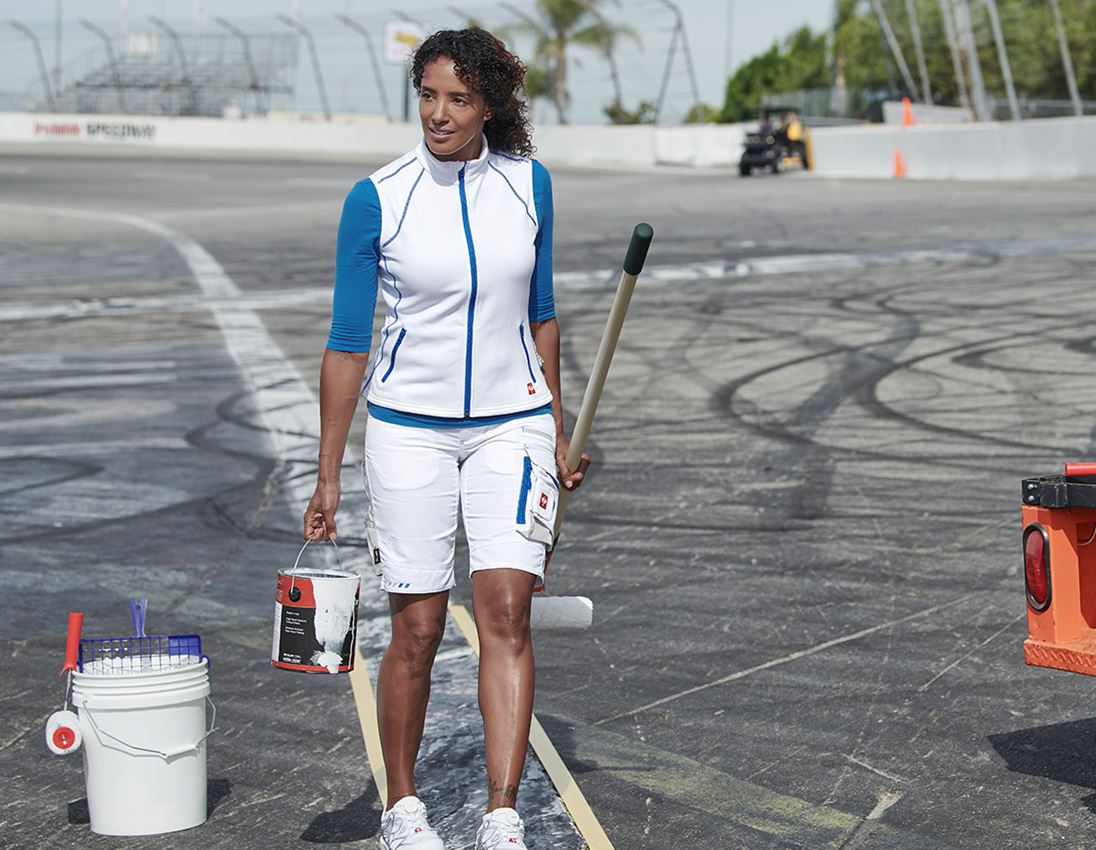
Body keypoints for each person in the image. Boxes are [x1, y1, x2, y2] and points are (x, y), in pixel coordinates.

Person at [303, 27, 590, 850]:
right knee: (419, 629)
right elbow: (347, 342)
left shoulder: (528, 185)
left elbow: (543, 315)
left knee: (505, 615)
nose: (439, 113)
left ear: (490, 104)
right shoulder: (378, 197)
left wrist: (557, 425)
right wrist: (328, 475)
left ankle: (504, 814)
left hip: (514, 424)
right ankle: (403, 806)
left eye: (458, 99)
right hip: (407, 432)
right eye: (427, 95)